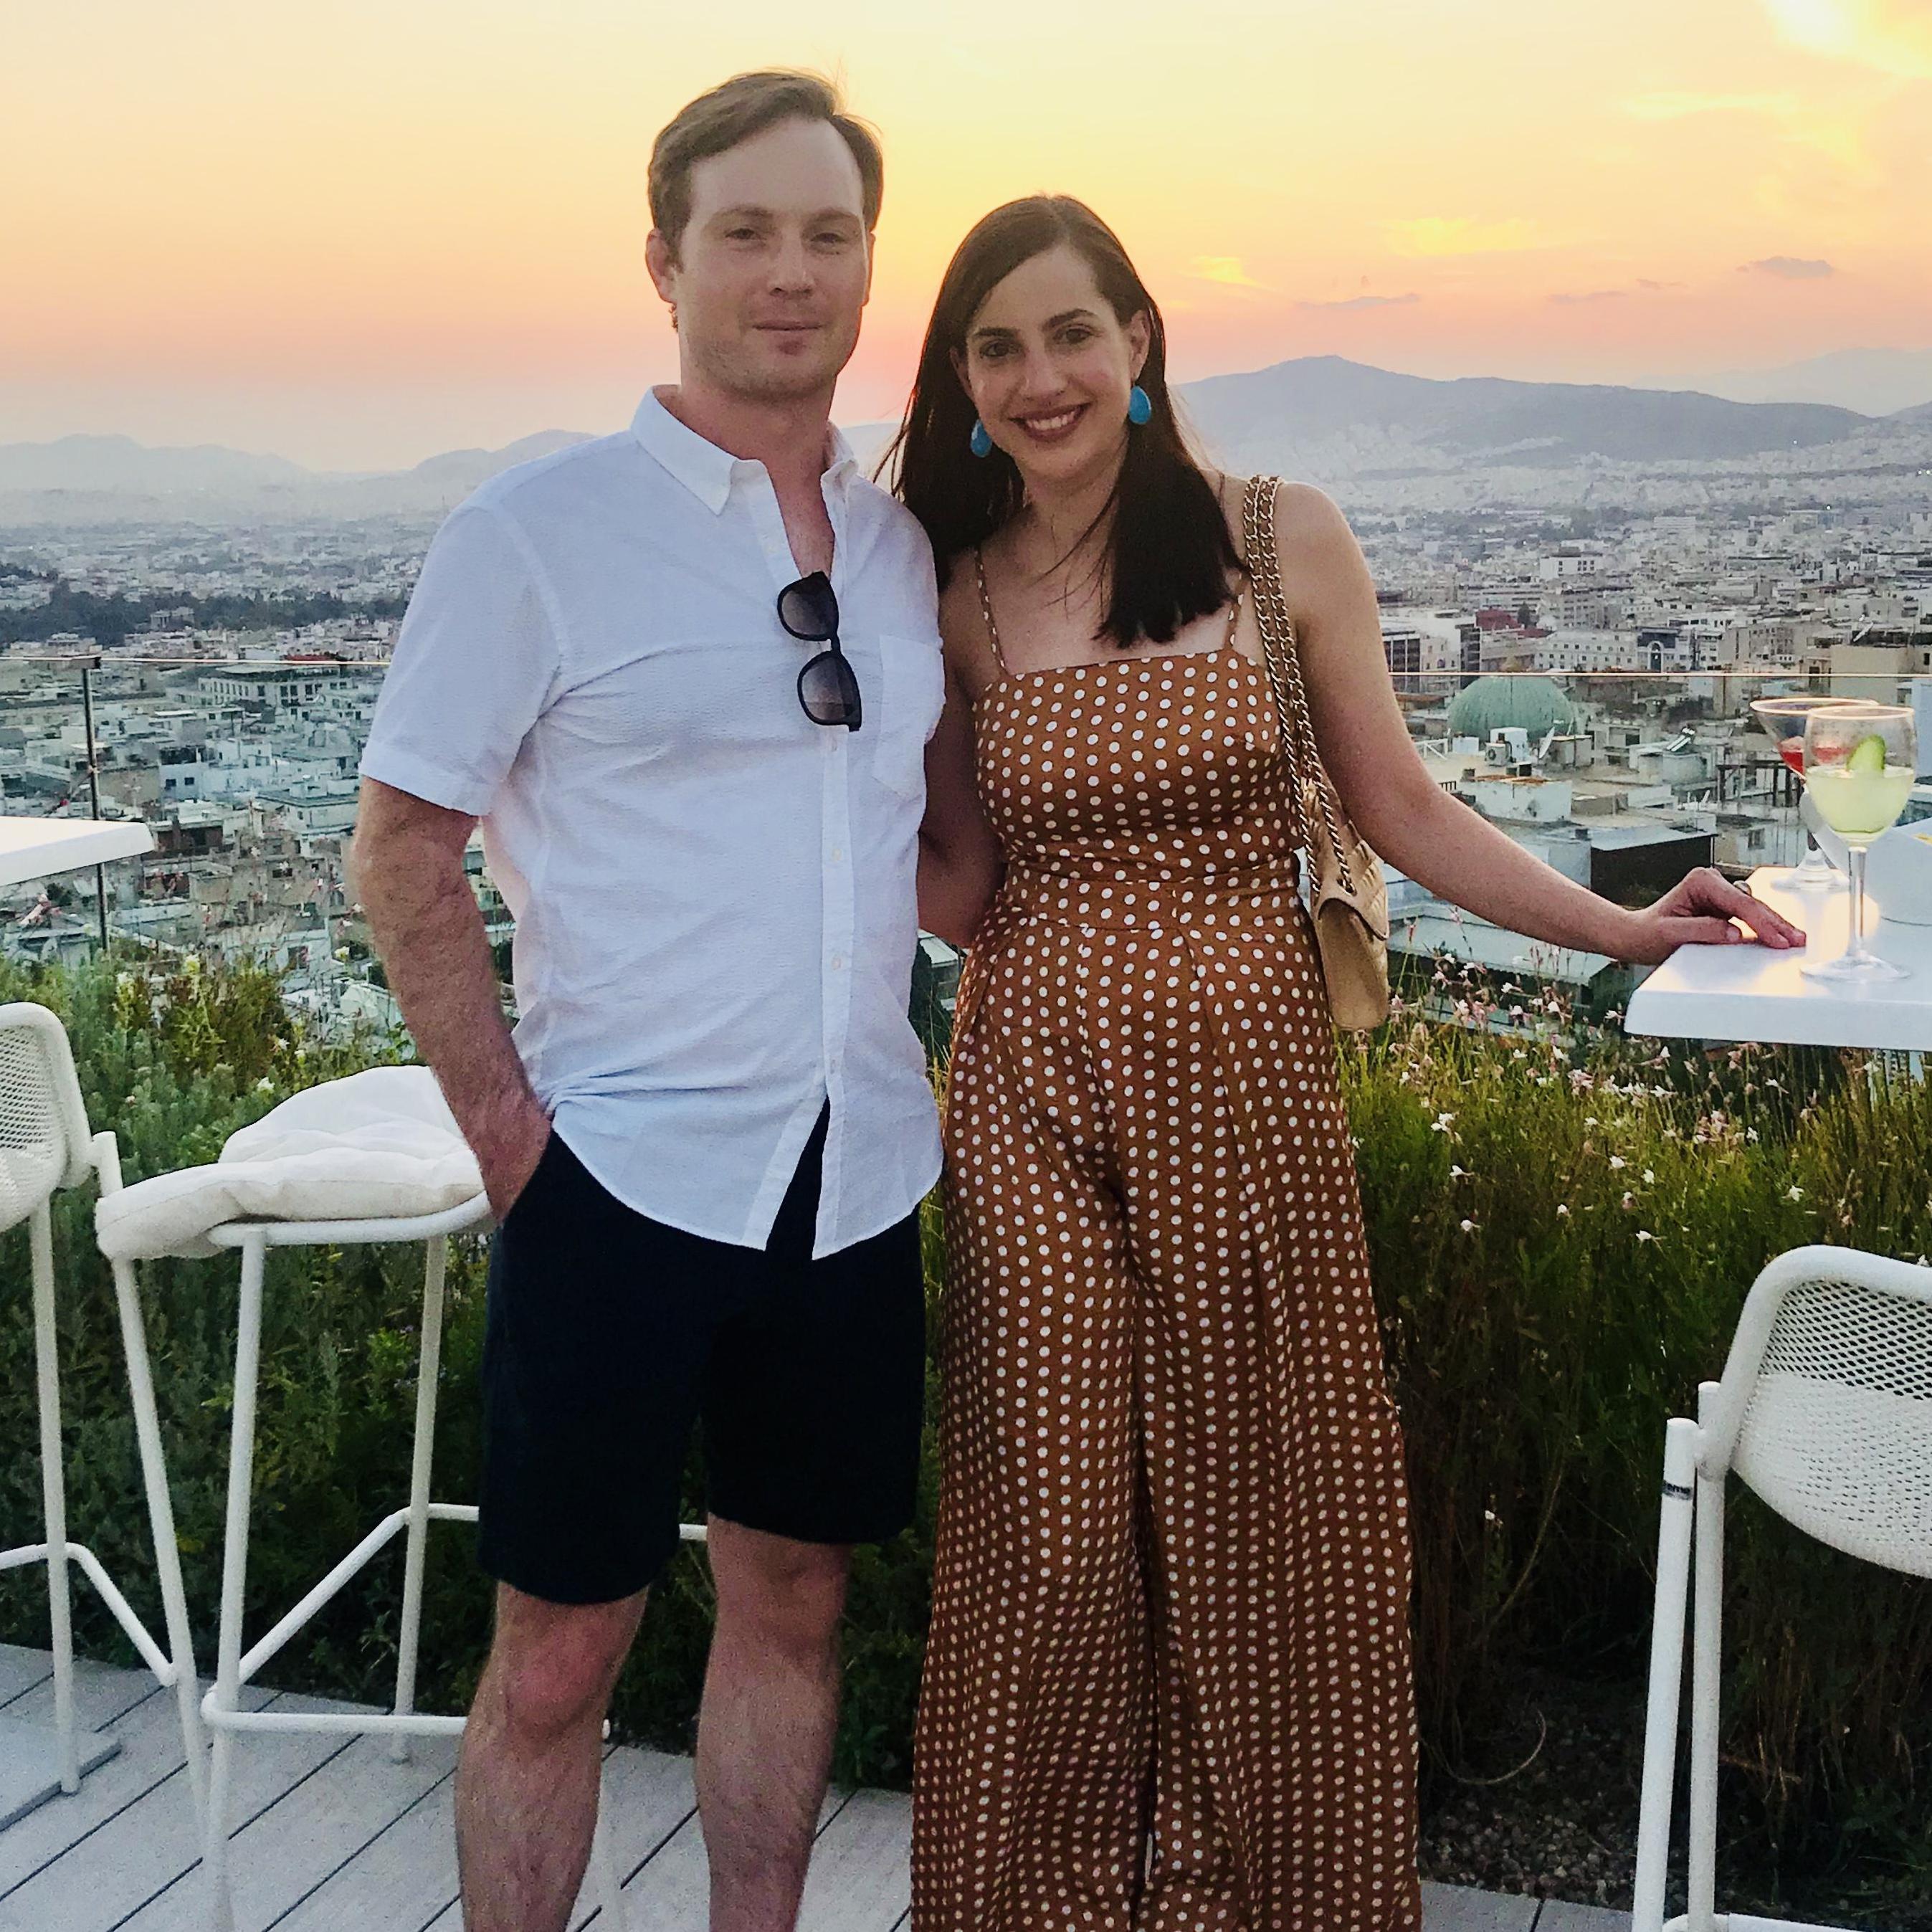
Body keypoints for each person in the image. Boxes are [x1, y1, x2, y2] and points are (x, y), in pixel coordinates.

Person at [899, 195, 1803, 1931]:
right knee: (1056, 1532)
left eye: (1070, 333)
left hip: (1244, 1097)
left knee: (1266, 1509)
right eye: (996, 347)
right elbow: (949, 880)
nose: (1040, 376)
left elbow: (1400, 807)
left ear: (1140, 341)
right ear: (960, 379)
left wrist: (1620, 930)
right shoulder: (950, 588)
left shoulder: (1275, 537)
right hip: (1030, 1095)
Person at [353, 71, 945, 1932]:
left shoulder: (911, 545)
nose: (792, 273)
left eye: (829, 234)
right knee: (555, 1655)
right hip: (613, 1179)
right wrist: (518, 1147)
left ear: (870, 266)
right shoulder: (540, 530)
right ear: (663, 260)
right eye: (747, 232)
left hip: (854, 1177)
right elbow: (401, 849)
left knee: (796, 1603)